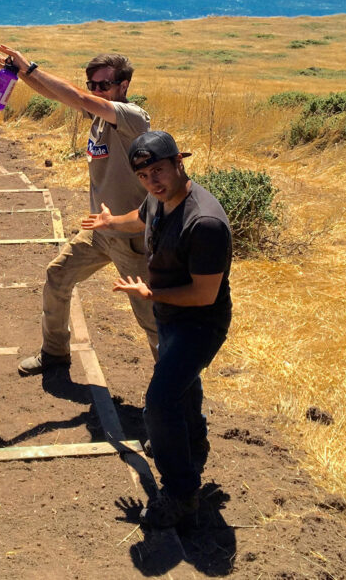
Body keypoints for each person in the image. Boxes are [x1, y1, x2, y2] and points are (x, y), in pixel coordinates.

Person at [82, 130, 232, 529]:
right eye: (144, 175)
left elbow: (204, 294)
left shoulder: (204, 223)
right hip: (170, 315)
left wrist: (151, 292)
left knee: (160, 404)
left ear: (179, 163)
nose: (152, 181)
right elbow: (143, 214)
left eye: (159, 171)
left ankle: (181, 495)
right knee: (181, 384)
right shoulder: (159, 196)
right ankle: (194, 443)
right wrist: (112, 221)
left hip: (199, 324)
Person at [0, 43, 156, 374]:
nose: (96, 91)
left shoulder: (132, 117)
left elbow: (79, 98)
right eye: (92, 84)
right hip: (100, 230)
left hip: (132, 237)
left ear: (124, 85)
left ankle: (177, 399)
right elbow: (62, 96)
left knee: (153, 322)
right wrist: (19, 74)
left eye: (104, 85)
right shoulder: (101, 115)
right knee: (58, 276)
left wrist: (30, 67)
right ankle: (55, 354)